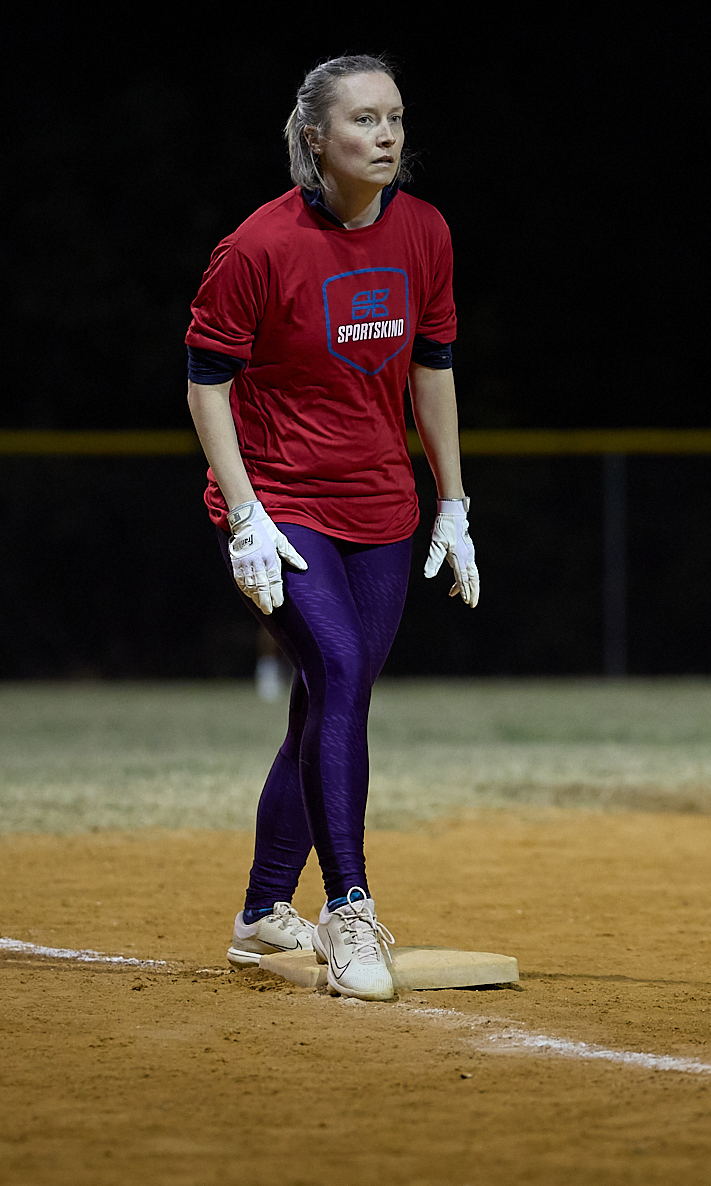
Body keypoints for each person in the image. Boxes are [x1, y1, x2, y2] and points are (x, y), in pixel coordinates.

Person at [185, 54, 480, 999]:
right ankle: (349, 906)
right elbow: (206, 383)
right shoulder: (258, 246)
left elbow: (433, 367)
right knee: (342, 673)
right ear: (316, 137)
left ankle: (262, 913)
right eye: (363, 120)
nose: (386, 135)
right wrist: (244, 513)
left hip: (382, 508)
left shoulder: (425, 232)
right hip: (284, 506)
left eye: (395, 117)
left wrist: (453, 501)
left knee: (328, 698)